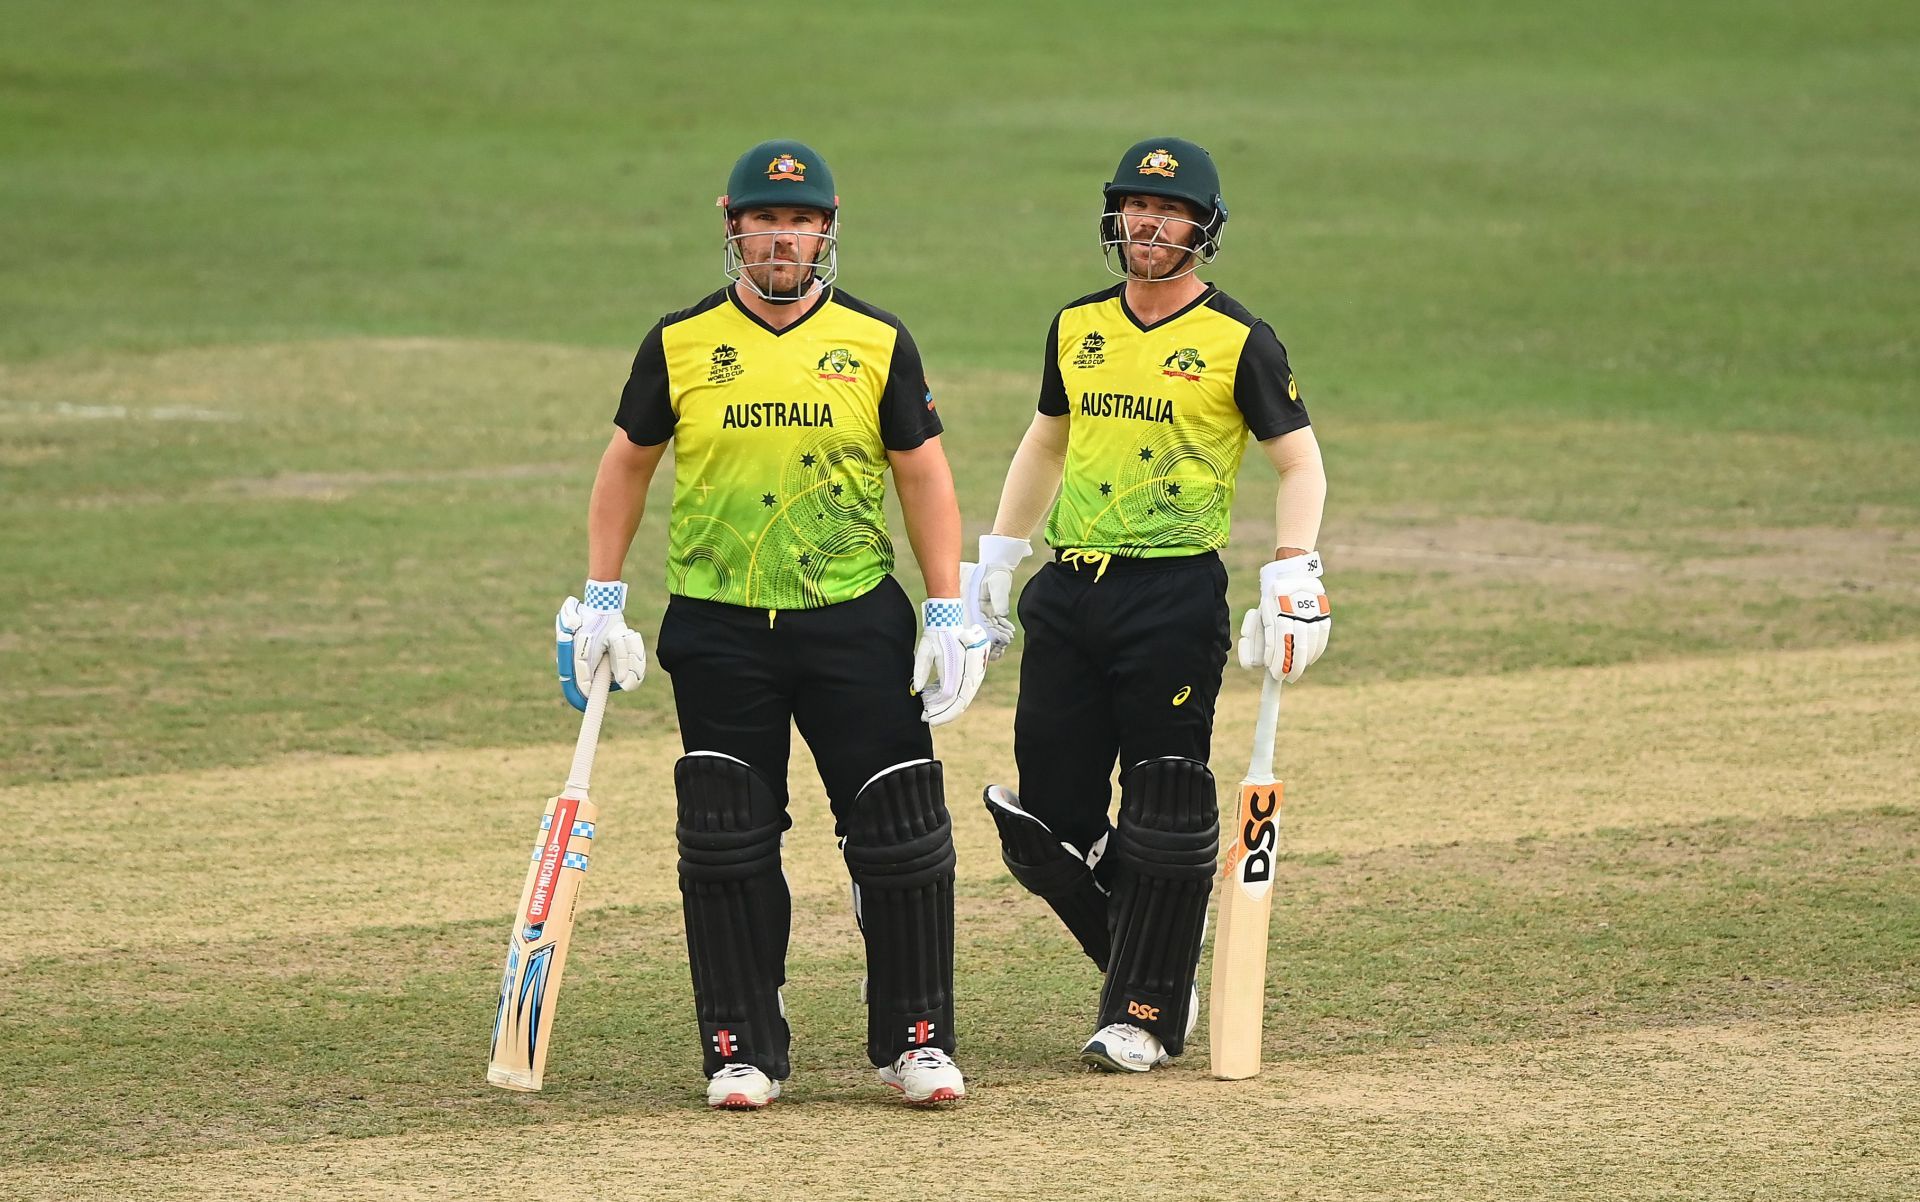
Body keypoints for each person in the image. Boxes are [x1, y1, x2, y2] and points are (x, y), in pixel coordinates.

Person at [554, 139, 987, 1109]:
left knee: (900, 834)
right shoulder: (678, 342)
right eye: (764, 220)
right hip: (719, 623)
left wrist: (949, 606)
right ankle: (741, 1044)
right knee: (726, 835)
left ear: (827, 229)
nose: (781, 237)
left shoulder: (877, 340)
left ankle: (916, 1039)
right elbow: (627, 463)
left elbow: (923, 473)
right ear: (732, 225)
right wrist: (601, 596)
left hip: (853, 618)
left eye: (800, 221)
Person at [967, 136, 1331, 1073]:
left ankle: (1145, 1011)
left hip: (1171, 591)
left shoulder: (1238, 338)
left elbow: (1298, 459)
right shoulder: (1076, 326)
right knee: (1047, 820)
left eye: (1168, 211)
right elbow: (1046, 444)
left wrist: (1294, 572)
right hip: (1069, 588)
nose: (1149, 224)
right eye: (1134, 206)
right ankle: (1160, 958)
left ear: (1202, 228)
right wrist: (998, 561)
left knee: (1163, 801)